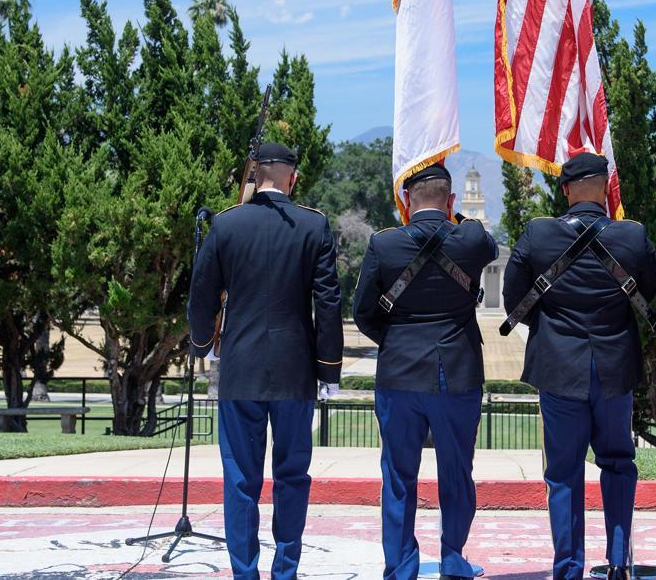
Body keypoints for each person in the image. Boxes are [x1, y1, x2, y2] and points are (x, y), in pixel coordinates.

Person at [187, 142, 344, 580]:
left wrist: (202, 344)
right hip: (296, 372)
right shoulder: (314, 226)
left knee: (240, 481)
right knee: (293, 476)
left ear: (255, 174)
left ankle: (244, 573)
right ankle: (286, 571)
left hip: (241, 369)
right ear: (292, 177)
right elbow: (328, 304)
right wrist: (328, 369)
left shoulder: (226, 224)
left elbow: (201, 297)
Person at [501, 151, 656, 580]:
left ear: (565, 189)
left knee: (564, 472)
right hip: (613, 366)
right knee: (618, 462)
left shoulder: (539, 233)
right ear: (606, 188)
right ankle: (619, 561)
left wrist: (551, 328)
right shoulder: (632, 236)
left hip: (559, 367)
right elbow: (650, 299)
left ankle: (568, 567)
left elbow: (514, 300)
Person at [352, 163, 499, 580]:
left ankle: (400, 567)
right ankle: (453, 558)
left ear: (405, 202)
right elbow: (485, 243)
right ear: (452, 202)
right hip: (458, 373)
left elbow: (363, 312)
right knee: (458, 471)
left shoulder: (385, 244)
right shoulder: (469, 237)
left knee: (398, 475)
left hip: (399, 375)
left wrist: (398, 342)